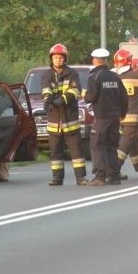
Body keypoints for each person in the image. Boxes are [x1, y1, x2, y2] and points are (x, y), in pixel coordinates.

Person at [41, 43, 88, 186]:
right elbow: (46, 89)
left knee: (76, 152)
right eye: (55, 58)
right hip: (54, 121)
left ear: (65, 59)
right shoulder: (46, 75)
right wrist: (48, 100)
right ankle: (57, 178)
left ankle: (80, 178)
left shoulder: (72, 73)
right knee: (55, 153)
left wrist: (62, 100)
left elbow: (75, 91)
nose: (58, 60)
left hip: (70, 119)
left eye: (60, 58)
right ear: (51, 59)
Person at [83, 48, 128, 186]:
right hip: (115, 117)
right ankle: (114, 176)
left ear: (94, 60)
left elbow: (91, 97)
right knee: (111, 146)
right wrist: (122, 114)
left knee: (97, 145)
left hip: (101, 118)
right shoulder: (115, 77)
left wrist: (85, 96)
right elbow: (124, 98)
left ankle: (100, 176)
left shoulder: (94, 77)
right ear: (106, 60)